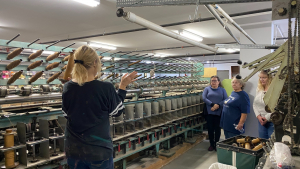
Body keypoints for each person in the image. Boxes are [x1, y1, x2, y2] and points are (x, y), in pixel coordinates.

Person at [62, 45, 137, 169]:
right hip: (98, 151)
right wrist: (122, 87)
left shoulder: (67, 87)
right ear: (95, 63)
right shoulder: (105, 88)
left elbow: (66, 114)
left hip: (74, 151)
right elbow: (116, 111)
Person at [203, 76, 227, 151]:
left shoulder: (222, 90)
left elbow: (226, 99)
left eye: (215, 80)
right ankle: (211, 144)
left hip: (218, 112)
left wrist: (218, 105)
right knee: (210, 129)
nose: (213, 82)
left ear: (218, 82)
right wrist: (212, 104)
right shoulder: (207, 89)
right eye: (212, 81)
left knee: (217, 129)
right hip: (209, 111)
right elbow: (204, 98)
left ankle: (217, 144)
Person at [253, 70, 274, 139]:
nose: (261, 79)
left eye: (264, 77)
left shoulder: (274, 90)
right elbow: (255, 104)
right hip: (261, 121)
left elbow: (276, 107)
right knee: (262, 142)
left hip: (272, 121)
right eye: (260, 77)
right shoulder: (259, 89)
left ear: (269, 78)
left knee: (272, 144)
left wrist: (267, 118)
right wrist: (258, 116)